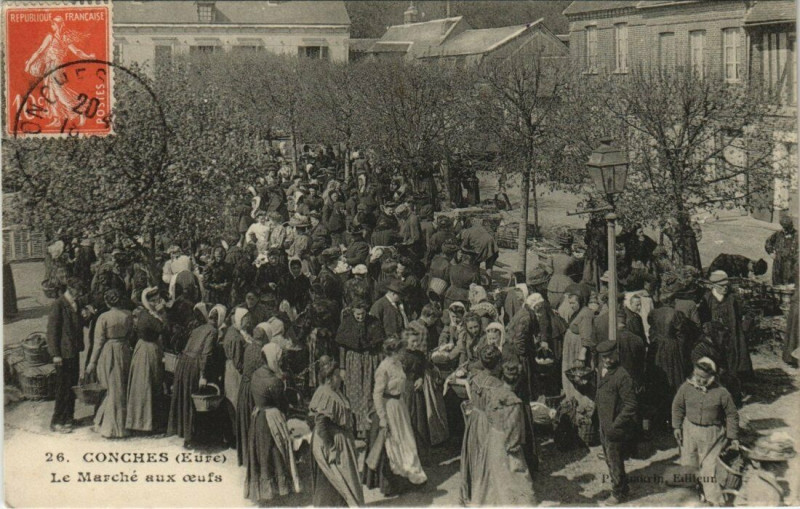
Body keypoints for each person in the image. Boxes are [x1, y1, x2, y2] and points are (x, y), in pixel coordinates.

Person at [363, 335, 427, 496]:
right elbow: (377, 394)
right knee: (394, 444)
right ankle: (394, 482)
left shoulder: (398, 363)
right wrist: (383, 418)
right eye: (401, 350)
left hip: (400, 406)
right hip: (389, 407)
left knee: (408, 441)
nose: (404, 353)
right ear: (393, 352)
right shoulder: (383, 368)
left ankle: (411, 476)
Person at [672, 358, 739, 506]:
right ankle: (693, 496)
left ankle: (713, 501)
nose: (700, 380)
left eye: (704, 378)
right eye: (697, 376)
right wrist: (676, 426)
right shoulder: (685, 388)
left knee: (710, 470)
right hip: (690, 432)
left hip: (713, 435)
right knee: (689, 464)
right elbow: (677, 407)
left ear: (712, 377)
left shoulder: (722, 392)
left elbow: (731, 414)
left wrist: (732, 436)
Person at [245, 343, 301, 504]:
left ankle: (262, 490)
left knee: (261, 452)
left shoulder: (256, 374)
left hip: (258, 416)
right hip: (271, 418)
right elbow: (282, 404)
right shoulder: (274, 381)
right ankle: (278, 490)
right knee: (276, 450)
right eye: (279, 358)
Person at [309, 356, 365, 507]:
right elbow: (321, 423)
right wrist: (331, 448)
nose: (341, 378)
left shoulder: (334, 391)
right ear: (330, 378)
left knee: (343, 479)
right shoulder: (326, 394)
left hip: (337, 438)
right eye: (338, 376)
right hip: (330, 441)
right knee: (335, 480)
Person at [482, 361, 538, 506]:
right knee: (519, 479)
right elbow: (514, 429)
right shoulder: (514, 403)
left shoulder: (494, 392)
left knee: (499, 478)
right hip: (508, 443)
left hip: (494, 439)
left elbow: (488, 415)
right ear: (518, 381)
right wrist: (513, 447)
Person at [167, 303, 221, 446]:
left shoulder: (198, 328)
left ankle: (184, 433)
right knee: (192, 398)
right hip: (194, 365)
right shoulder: (213, 331)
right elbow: (206, 354)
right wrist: (203, 375)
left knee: (184, 397)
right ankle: (191, 436)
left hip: (184, 362)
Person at [84, 289, 133, 438]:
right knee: (121, 388)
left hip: (109, 351)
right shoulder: (128, 315)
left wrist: (92, 362)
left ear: (107, 302)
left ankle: (110, 428)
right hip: (124, 350)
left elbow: (98, 342)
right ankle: (120, 424)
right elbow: (131, 334)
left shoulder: (104, 317)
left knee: (111, 388)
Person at [595, 340, 638, 505]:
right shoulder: (601, 369)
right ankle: (623, 487)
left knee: (615, 460)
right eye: (603, 357)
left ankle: (619, 493)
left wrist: (616, 424)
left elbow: (631, 405)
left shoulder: (622, 376)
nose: (606, 360)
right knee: (608, 458)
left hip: (614, 426)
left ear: (616, 354)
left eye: (609, 356)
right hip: (603, 423)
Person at [460, 345, 504, 505]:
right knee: (489, 457)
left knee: (475, 454)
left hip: (475, 419)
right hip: (488, 422)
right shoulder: (496, 385)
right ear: (498, 363)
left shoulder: (475, 378)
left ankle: (474, 490)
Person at [335, 300, 385, 438]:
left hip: (370, 361)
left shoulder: (373, 323)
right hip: (354, 361)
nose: (360, 317)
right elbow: (342, 347)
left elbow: (379, 345)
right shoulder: (347, 323)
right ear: (353, 312)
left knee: (368, 392)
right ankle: (355, 426)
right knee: (353, 393)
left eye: (362, 314)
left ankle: (367, 426)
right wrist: (342, 367)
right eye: (357, 314)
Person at [46, 278, 87, 433]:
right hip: (63, 354)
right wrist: (55, 354)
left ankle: (69, 417)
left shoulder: (76, 303)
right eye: (78, 291)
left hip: (74, 351)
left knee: (72, 385)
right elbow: (52, 332)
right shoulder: (58, 304)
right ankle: (57, 421)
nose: (80, 294)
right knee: (63, 387)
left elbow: (79, 323)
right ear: (70, 289)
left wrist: (85, 315)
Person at [698, 271, 753, 380]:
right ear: (713, 286)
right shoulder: (706, 299)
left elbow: (749, 312)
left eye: (727, 285)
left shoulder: (733, 299)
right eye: (722, 286)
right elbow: (702, 319)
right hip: (715, 339)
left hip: (732, 338)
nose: (725, 288)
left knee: (732, 362)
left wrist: (744, 328)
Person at [127, 287, 167, 433]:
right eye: (154, 300)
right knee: (148, 384)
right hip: (148, 350)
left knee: (147, 383)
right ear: (148, 301)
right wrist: (162, 312)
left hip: (145, 348)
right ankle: (145, 423)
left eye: (158, 299)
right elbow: (162, 328)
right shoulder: (148, 316)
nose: (157, 302)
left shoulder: (146, 313)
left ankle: (143, 421)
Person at [223, 308, 251, 449]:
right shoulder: (235, 337)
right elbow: (237, 361)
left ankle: (235, 434)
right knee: (235, 402)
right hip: (234, 372)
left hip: (232, 369)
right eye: (246, 319)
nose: (248, 321)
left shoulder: (235, 332)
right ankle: (236, 436)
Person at [459, 218, 499, 284]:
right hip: (492, 246)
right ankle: (488, 283)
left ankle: (476, 281)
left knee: (475, 262)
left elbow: (464, 246)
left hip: (483, 247)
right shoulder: (481, 228)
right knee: (489, 265)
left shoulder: (467, 231)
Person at [765, 215, 798, 285]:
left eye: (786, 227)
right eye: (783, 227)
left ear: (791, 226)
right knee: (777, 284)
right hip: (778, 263)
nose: (784, 229)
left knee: (789, 286)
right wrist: (771, 252)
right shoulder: (778, 234)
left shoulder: (796, 235)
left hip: (790, 265)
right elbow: (768, 242)